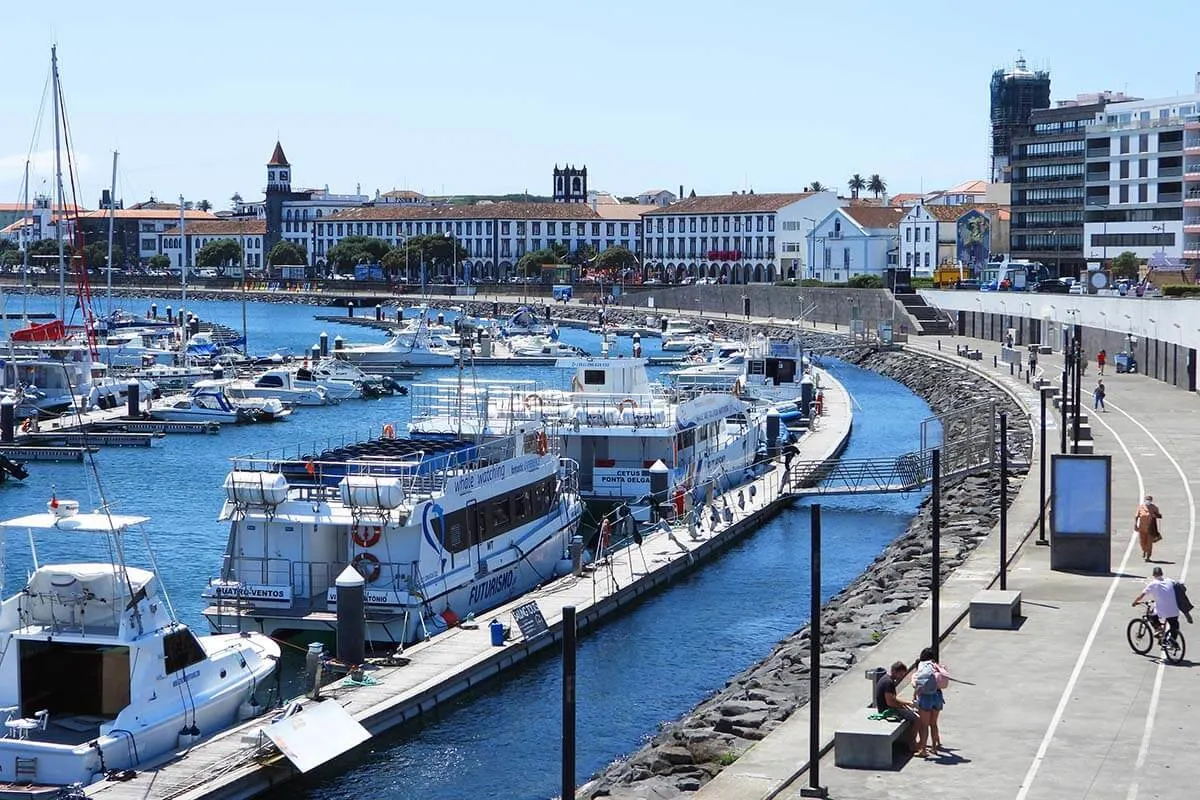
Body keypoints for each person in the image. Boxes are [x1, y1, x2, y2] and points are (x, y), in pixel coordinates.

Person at [875, 661, 924, 755]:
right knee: (917, 719)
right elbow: (890, 702)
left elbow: (893, 699)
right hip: (887, 709)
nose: (901, 676)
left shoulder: (886, 679)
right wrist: (905, 706)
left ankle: (918, 742)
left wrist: (906, 703)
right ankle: (912, 744)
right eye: (901, 674)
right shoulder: (889, 682)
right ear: (895, 671)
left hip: (887, 706)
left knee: (914, 712)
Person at [1133, 567, 1181, 648]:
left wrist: (1135, 602)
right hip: (1175, 609)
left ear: (1154, 574)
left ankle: (1159, 629)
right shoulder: (1170, 581)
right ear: (1162, 573)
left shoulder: (1153, 583)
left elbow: (1142, 595)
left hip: (1163, 610)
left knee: (1150, 616)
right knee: (1174, 625)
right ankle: (1172, 641)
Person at [912, 648, 948, 753]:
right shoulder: (935, 666)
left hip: (926, 697)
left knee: (924, 725)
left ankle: (923, 750)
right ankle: (934, 747)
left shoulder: (922, 666)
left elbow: (916, 684)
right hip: (937, 695)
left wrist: (915, 695)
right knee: (933, 723)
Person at [1135, 495, 1163, 562]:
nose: (1148, 501)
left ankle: (1148, 556)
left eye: (1149, 500)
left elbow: (1159, 516)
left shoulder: (1154, 508)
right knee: (1142, 543)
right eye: (1147, 500)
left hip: (1151, 528)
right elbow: (1136, 516)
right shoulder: (1141, 507)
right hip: (1142, 528)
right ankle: (1145, 550)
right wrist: (1135, 525)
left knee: (1149, 543)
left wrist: (1155, 515)